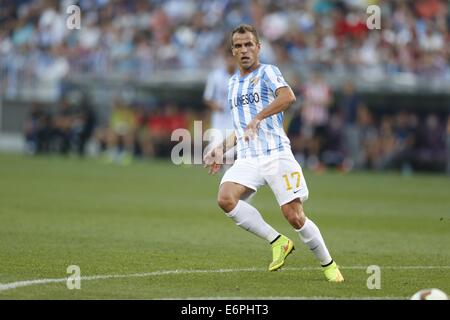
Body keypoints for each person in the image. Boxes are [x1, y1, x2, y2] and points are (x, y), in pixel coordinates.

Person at [203, 24, 344, 282]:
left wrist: (259, 116)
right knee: (226, 199)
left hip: (276, 154)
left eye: (248, 44)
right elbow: (242, 128)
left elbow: (288, 97)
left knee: (294, 216)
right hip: (248, 156)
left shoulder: (269, 72)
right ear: (232, 51)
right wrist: (219, 149)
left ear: (258, 47)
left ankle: (329, 264)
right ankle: (277, 241)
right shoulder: (233, 83)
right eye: (238, 46)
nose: (244, 50)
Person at [203, 48, 236, 165]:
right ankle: (223, 180)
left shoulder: (241, 76)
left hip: (234, 121)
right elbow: (207, 98)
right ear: (225, 60)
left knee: (230, 154)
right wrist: (215, 106)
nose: (231, 61)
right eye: (229, 58)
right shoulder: (215, 76)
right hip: (219, 121)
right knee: (215, 152)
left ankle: (229, 180)